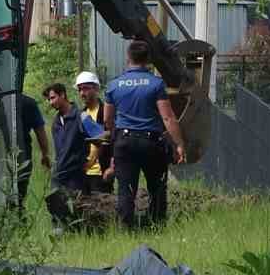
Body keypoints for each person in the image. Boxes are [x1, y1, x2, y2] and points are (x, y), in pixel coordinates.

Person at [103, 40, 188, 229]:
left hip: (124, 142)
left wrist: (115, 142)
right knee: (157, 189)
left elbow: (107, 120)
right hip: (152, 143)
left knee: (125, 190)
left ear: (128, 58)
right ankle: (156, 226)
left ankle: (126, 229)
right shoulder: (156, 84)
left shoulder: (114, 85)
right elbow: (168, 118)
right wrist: (179, 144)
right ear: (148, 59)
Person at [42, 82, 103, 232]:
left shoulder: (81, 116)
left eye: (53, 98)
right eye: (49, 100)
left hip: (75, 176)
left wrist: (91, 160)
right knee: (56, 209)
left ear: (63, 94)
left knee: (78, 211)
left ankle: (80, 237)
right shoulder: (56, 122)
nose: (51, 102)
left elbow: (100, 136)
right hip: (58, 174)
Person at [75, 71, 112, 193]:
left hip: (101, 172)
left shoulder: (106, 112)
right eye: (79, 89)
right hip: (83, 172)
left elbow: (116, 140)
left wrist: (112, 168)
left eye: (85, 88)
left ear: (96, 88)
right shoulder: (81, 114)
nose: (82, 93)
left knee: (103, 208)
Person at [13, 93, 51, 208]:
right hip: (23, 151)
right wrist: (45, 155)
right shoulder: (29, 102)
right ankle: (19, 213)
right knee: (20, 190)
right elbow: (40, 132)